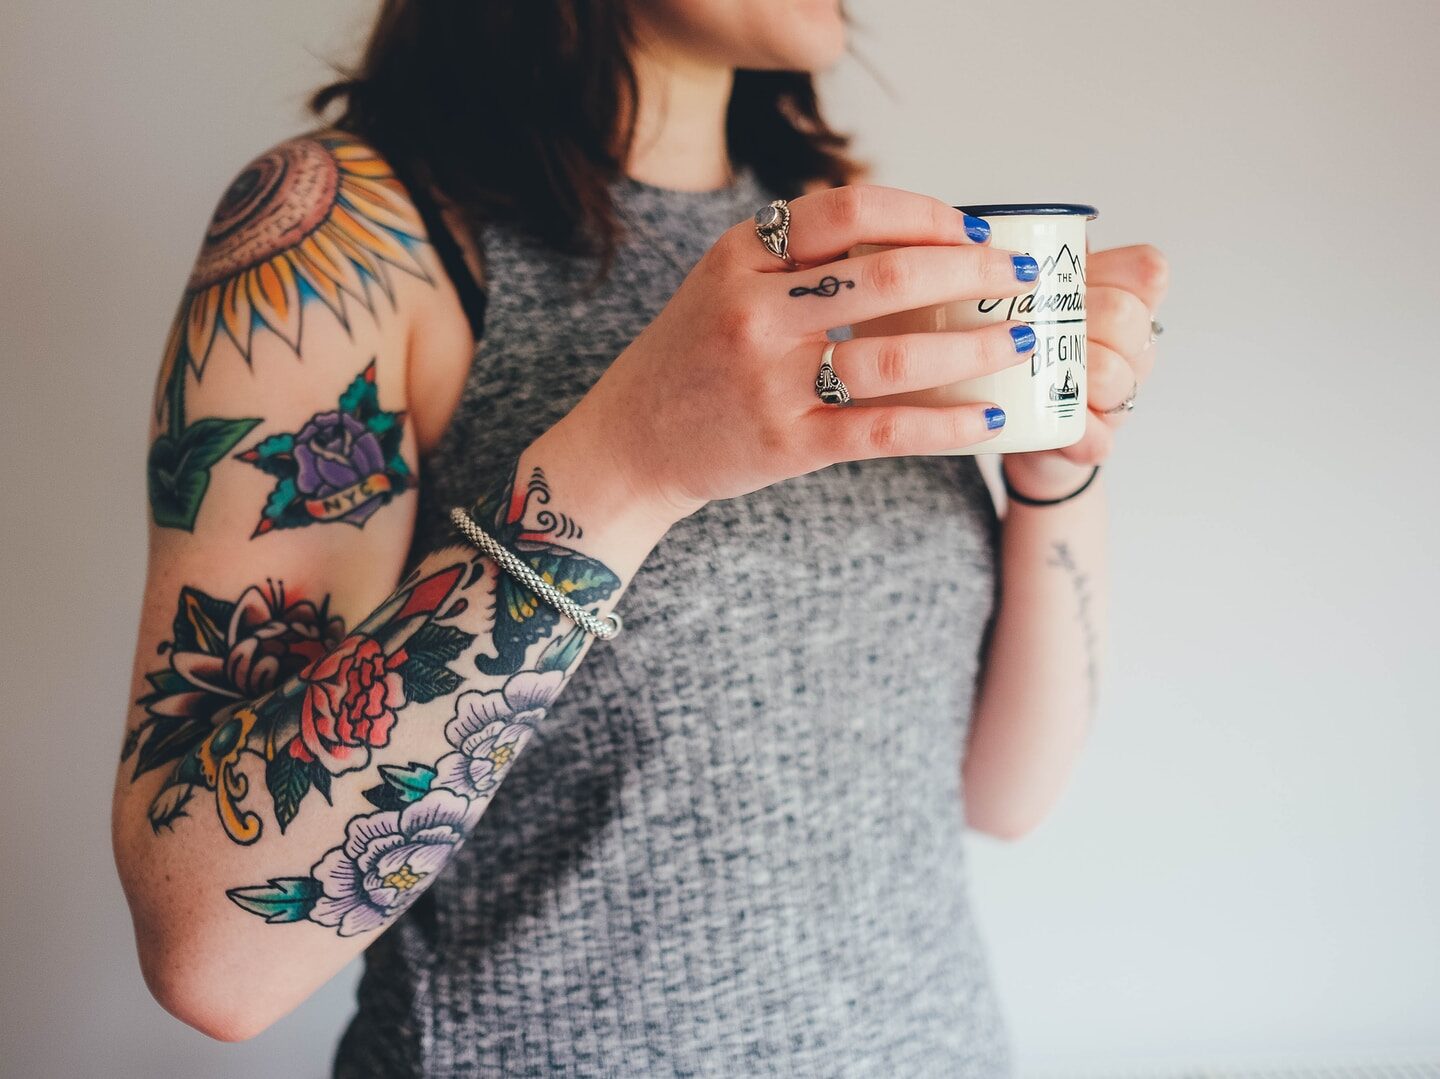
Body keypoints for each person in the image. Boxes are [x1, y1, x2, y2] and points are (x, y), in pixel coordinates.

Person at [110, 1, 1168, 1075]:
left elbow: (1002, 794)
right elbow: (215, 957)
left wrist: (1059, 473)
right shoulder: (345, 235)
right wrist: (628, 463)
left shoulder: (831, 248)